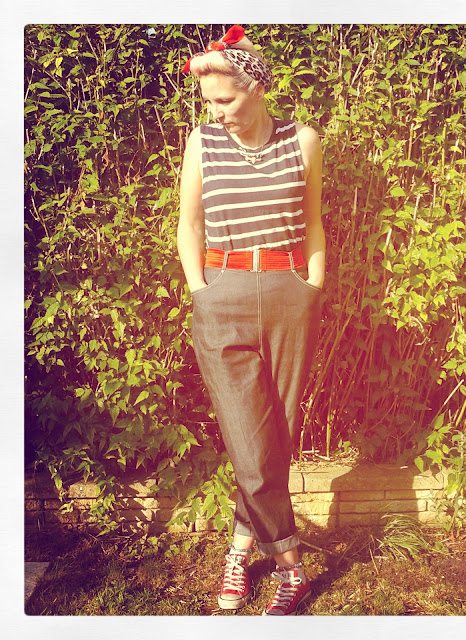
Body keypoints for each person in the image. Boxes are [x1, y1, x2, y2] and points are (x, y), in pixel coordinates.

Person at [177, 25, 325, 616]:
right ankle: (291, 566)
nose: (216, 112)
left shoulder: (303, 140)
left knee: (275, 437)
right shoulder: (202, 143)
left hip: (290, 294)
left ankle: (239, 550)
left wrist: (312, 285)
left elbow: (313, 221)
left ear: (257, 87)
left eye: (225, 99)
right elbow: (189, 225)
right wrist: (201, 292)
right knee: (246, 438)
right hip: (223, 293)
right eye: (208, 102)